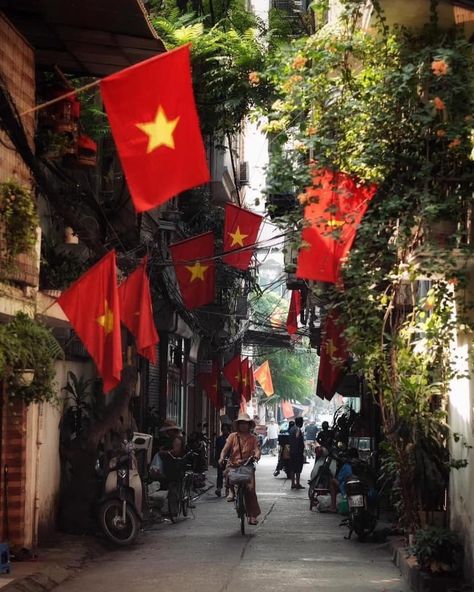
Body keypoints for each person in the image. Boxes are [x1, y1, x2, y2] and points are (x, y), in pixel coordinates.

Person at [219, 412, 261, 525]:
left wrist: (256, 456)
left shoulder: (253, 438)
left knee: (251, 490)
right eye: (241, 423)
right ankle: (231, 491)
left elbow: (257, 449)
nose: (243, 425)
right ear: (238, 425)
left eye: (245, 423)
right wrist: (221, 457)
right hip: (233, 464)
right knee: (227, 473)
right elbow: (225, 449)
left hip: (247, 465)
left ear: (249, 425)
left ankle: (252, 516)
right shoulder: (233, 436)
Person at [214, 423, 231, 497]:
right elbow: (217, 450)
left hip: (230, 459)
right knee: (220, 474)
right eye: (223, 429)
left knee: (228, 475)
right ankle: (219, 488)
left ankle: (227, 489)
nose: (225, 431)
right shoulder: (219, 439)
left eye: (226, 429)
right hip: (221, 458)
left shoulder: (232, 438)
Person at [289, 416, 305, 489]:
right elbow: (297, 438)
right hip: (297, 452)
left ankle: (293, 483)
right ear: (300, 422)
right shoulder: (298, 429)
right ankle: (297, 483)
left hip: (292, 451)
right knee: (298, 468)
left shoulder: (292, 428)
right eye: (302, 422)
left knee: (292, 467)